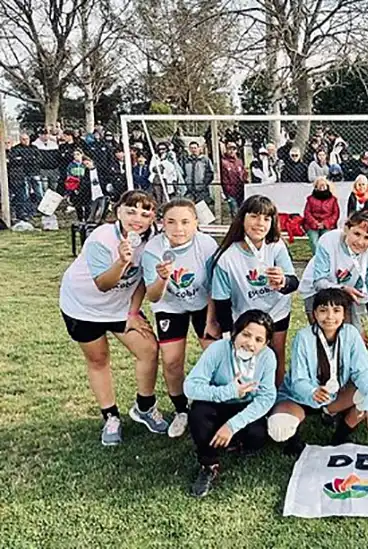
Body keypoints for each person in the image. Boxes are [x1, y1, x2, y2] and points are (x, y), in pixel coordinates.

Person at [58, 190, 164, 446]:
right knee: (99, 359)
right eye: (131, 211)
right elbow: (103, 283)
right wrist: (121, 262)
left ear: (152, 218)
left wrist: (132, 312)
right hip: (82, 306)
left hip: (119, 308)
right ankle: (110, 416)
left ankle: (145, 407)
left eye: (145, 212)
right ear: (118, 212)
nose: (137, 217)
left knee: (149, 349)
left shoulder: (154, 240)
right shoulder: (101, 239)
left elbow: (142, 280)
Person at [268, 289, 368, 457]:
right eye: (323, 310)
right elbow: (298, 379)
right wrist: (312, 391)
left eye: (336, 311)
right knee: (279, 427)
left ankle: (340, 436)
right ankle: (294, 441)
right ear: (314, 313)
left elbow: (362, 371)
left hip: (335, 396)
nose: (329, 317)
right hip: (300, 398)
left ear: (344, 314)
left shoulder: (351, 334)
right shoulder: (303, 337)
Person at [142, 198, 220, 438]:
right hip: (170, 306)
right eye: (172, 222)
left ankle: (218, 406)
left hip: (202, 303)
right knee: (172, 361)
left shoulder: (206, 245)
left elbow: (216, 286)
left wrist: (210, 319)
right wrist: (162, 278)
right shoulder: (153, 250)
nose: (179, 229)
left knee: (215, 355)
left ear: (196, 222)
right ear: (162, 223)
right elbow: (153, 297)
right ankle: (181, 410)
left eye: (186, 222)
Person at [184, 310, 277, 497]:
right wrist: (229, 391)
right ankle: (209, 464)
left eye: (259, 340)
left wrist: (232, 425)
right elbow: (190, 386)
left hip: (244, 408)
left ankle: (234, 441)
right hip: (218, 403)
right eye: (246, 334)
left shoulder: (267, 357)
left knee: (257, 436)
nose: (250, 343)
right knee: (198, 414)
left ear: (266, 344)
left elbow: (267, 397)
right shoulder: (218, 349)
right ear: (235, 332)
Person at [210, 195, 298, 385]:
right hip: (245, 315)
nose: (260, 223)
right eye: (254, 216)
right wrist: (227, 333)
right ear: (242, 218)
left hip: (277, 311)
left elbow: (293, 282)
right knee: (248, 355)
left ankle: (277, 397)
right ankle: (248, 395)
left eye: (266, 218)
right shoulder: (226, 257)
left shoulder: (276, 246)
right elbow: (221, 300)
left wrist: (282, 281)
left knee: (276, 354)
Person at [298, 210, 368, 337]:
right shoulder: (329, 240)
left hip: (346, 294)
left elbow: (364, 288)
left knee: (353, 336)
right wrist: (342, 288)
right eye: (356, 234)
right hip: (315, 291)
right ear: (347, 229)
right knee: (323, 334)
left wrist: (360, 303)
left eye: (367, 238)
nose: (360, 242)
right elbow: (319, 282)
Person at [7, 134, 40, 223]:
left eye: (9, 143)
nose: (25, 141)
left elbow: (37, 159)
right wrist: (23, 160)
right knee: (15, 197)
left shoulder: (33, 148)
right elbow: (12, 161)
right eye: (6, 143)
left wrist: (21, 159)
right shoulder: (15, 149)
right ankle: (10, 215)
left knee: (24, 196)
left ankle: (25, 214)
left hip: (20, 176)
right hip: (10, 178)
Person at [303, 177, 340, 254]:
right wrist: (315, 223)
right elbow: (307, 213)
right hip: (312, 225)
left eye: (324, 185)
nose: (322, 187)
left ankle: (325, 257)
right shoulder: (310, 199)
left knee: (325, 240)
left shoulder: (333, 199)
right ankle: (317, 258)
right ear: (316, 187)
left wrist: (325, 223)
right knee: (314, 240)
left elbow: (335, 214)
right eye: (320, 186)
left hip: (328, 225)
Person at [221, 142, 247, 216]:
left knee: (242, 211)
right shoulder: (224, 162)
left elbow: (243, 174)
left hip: (241, 191)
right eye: (230, 149)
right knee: (235, 212)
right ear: (226, 150)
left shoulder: (239, 161)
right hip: (231, 192)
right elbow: (224, 178)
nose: (232, 151)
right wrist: (228, 190)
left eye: (234, 149)